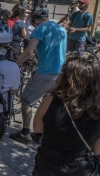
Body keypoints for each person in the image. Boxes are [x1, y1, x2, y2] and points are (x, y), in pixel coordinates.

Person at [11, 11, 67, 144]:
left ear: (36, 20)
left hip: (45, 72)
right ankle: (40, 132)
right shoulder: (61, 29)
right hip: (60, 72)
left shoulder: (40, 29)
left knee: (27, 101)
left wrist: (16, 63)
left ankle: (25, 132)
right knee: (48, 103)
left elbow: (29, 51)